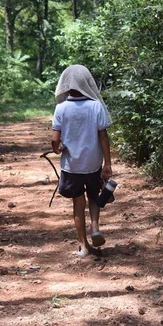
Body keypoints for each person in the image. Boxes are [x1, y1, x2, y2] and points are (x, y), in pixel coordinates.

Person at [51, 65, 113, 258]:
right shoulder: (96, 106)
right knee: (94, 197)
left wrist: (57, 148)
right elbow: (103, 137)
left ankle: (83, 246)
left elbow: (55, 139)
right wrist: (107, 163)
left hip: (72, 166)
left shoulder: (61, 108)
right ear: (88, 84)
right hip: (93, 163)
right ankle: (95, 227)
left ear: (66, 86)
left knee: (78, 204)